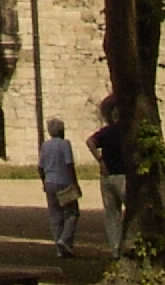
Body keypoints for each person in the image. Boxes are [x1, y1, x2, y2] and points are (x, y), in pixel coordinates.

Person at [90, 103, 129, 253]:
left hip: (107, 175)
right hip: (123, 175)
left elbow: (90, 141)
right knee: (131, 210)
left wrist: (100, 160)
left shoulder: (106, 131)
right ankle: (128, 243)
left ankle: (115, 248)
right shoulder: (127, 132)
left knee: (112, 214)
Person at [39, 119, 81, 257]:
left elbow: (40, 166)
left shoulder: (45, 146)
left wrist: (44, 181)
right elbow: (69, 164)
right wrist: (75, 183)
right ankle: (64, 239)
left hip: (50, 181)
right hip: (64, 182)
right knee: (71, 213)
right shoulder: (65, 144)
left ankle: (59, 247)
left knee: (55, 215)